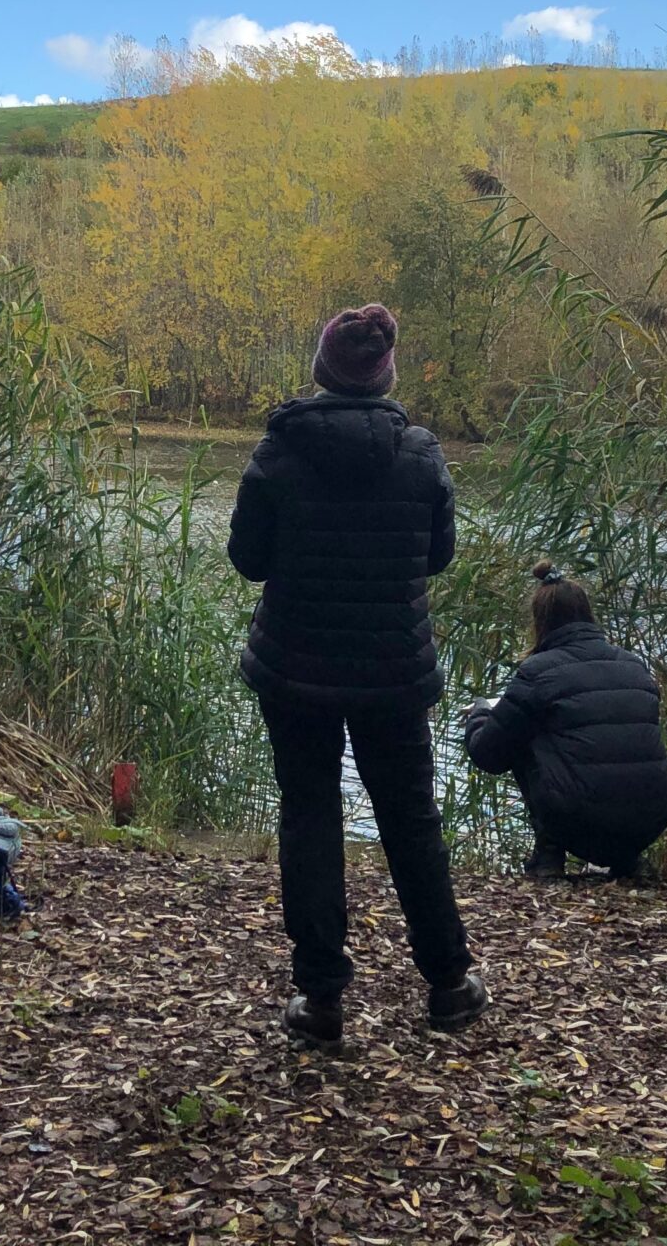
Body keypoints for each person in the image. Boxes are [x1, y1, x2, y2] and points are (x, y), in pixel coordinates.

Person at [228, 302, 484, 1053]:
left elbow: (247, 562)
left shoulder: (277, 454)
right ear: (384, 375)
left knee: (310, 817)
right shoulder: (422, 454)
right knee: (411, 821)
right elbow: (437, 556)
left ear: (321, 371)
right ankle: (449, 985)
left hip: (295, 670)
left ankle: (321, 999)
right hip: (393, 672)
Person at [463, 564, 667, 880]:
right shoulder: (634, 667)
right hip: (655, 815)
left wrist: (481, 713)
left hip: (579, 819)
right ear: (588, 613)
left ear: (540, 621)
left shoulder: (538, 672)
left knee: (525, 736)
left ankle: (548, 860)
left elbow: (489, 754)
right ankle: (629, 860)